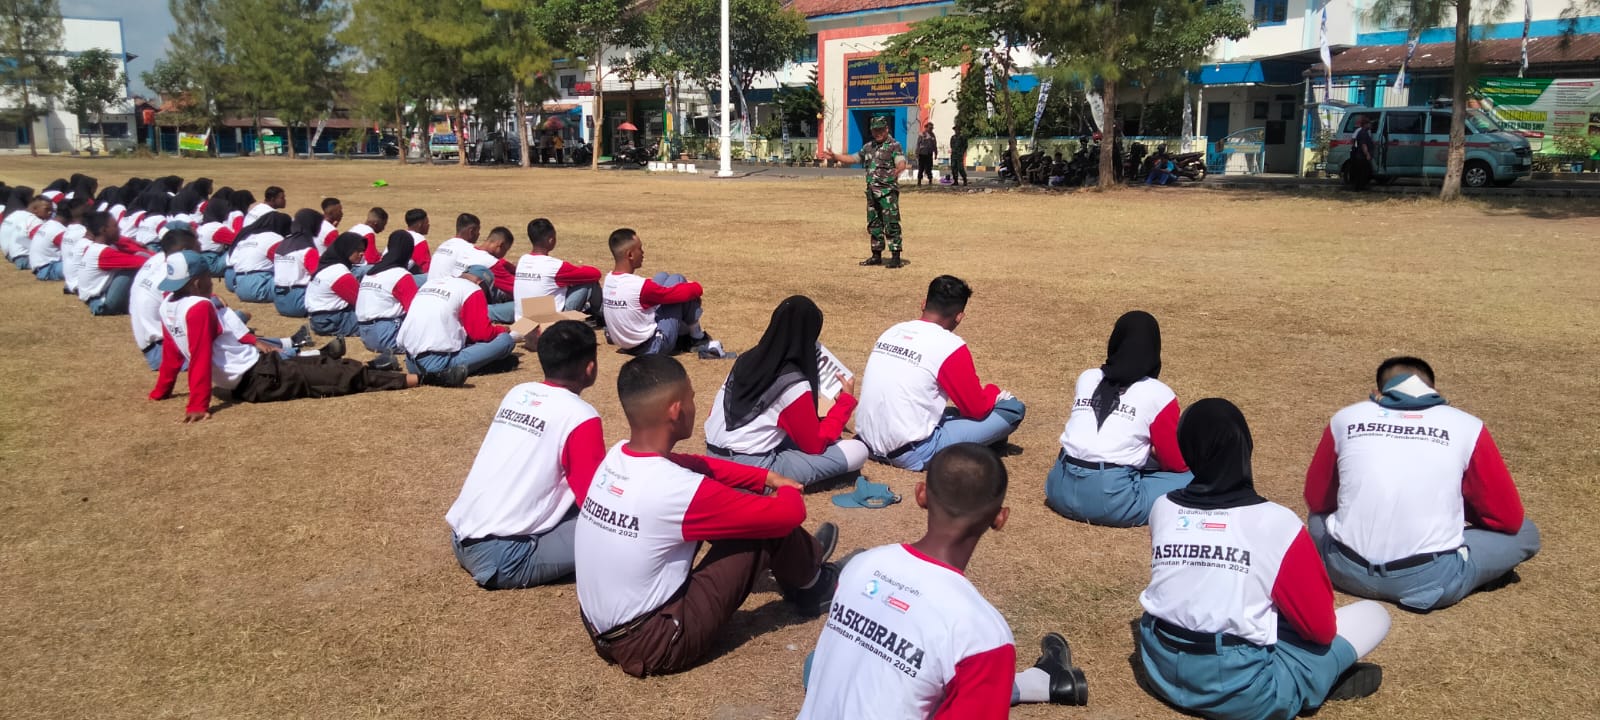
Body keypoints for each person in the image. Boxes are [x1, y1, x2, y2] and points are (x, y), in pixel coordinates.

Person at [575, 354, 841, 678]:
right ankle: (814, 584)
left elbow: (700, 464)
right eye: (692, 397)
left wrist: (765, 478)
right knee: (763, 528)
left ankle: (803, 559)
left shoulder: (618, 455)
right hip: (656, 640)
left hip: (601, 629)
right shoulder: (676, 489)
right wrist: (785, 487)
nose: (694, 404)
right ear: (675, 410)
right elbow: (788, 513)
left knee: (744, 514)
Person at [1135, 398, 1391, 720]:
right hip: (1239, 688)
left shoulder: (1162, 508)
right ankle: (1315, 681)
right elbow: (1321, 630)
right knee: (1375, 615)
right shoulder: (1277, 523)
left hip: (1159, 664)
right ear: (1245, 447)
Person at [798, 444, 1087, 718]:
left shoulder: (860, 566)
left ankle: (1041, 682)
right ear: (999, 518)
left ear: (921, 494)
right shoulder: (985, 635)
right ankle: (1042, 681)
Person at [1303, 357, 1540, 612]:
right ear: (1435, 391)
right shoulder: (1467, 425)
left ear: (1377, 392)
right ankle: (1463, 573)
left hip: (1343, 569)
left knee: (1318, 517)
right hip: (1429, 578)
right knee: (1526, 533)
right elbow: (1508, 518)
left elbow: (1317, 500)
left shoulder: (1346, 418)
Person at [149, 251, 455, 422]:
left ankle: (376, 367)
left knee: (320, 362)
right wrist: (197, 404)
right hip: (257, 378)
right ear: (198, 280)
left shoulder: (168, 305)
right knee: (334, 378)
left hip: (255, 371)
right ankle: (425, 379)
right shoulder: (199, 307)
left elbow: (175, 353)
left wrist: (162, 391)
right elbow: (200, 355)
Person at [446, 321, 605, 589]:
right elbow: (595, 502)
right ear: (590, 368)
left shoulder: (518, 393)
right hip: (506, 555)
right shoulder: (581, 416)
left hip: (462, 537)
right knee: (622, 529)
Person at [856, 275, 1025, 472]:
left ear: (924, 303)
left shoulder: (893, 331)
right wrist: (994, 393)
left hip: (866, 443)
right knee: (1012, 408)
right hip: (910, 452)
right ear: (959, 316)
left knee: (951, 412)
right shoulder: (950, 345)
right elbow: (976, 408)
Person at [1045, 311, 1192, 527]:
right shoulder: (1160, 394)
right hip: (1112, 499)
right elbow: (1175, 463)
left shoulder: (1088, 377)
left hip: (1058, 486)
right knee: (1198, 477)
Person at [703, 296, 869, 487]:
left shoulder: (746, 360)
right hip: (753, 467)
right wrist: (845, 402)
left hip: (712, 456)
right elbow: (814, 445)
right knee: (858, 450)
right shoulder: (792, 382)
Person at [601, 228, 729, 358]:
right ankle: (696, 337)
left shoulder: (609, 279)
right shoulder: (639, 286)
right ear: (630, 255)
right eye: (640, 248)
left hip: (626, 344)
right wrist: (695, 286)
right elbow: (680, 294)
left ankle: (691, 334)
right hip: (653, 346)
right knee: (677, 279)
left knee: (662, 277)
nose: (643, 252)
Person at [817, 115, 908, 268]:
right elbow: (853, 158)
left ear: (887, 129)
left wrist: (899, 168)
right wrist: (835, 156)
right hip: (872, 192)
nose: (877, 133)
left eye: (880, 130)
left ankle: (895, 257)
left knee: (891, 224)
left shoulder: (894, 145)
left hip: (887, 193)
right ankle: (876, 255)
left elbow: (900, 161)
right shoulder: (868, 147)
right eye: (874, 130)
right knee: (874, 224)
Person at [395, 265, 519, 377]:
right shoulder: (472, 289)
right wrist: (501, 330)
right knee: (505, 341)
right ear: (480, 283)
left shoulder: (432, 283)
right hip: (437, 363)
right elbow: (481, 334)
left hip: (411, 363)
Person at [513, 217, 601, 323]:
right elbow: (595, 274)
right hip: (548, 322)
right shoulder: (555, 266)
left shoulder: (523, 260)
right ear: (551, 239)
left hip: (523, 322)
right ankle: (601, 316)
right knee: (590, 284)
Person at [356, 231, 421, 356]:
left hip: (366, 335)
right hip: (387, 335)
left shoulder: (370, 273)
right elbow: (416, 312)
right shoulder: (400, 275)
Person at [78, 211, 150, 315]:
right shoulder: (103, 252)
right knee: (133, 268)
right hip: (103, 302)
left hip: (94, 296)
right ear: (103, 230)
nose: (119, 229)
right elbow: (141, 262)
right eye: (115, 226)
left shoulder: (96, 247)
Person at [305, 233, 367, 337]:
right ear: (347, 249)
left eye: (363, 250)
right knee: (373, 324)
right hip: (330, 320)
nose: (362, 254)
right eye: (358, 250)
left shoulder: (327, 265)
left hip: (318, 318)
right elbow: (361, 302)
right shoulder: (339, 272)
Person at [271, 209, 324, 318]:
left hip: (279, 302)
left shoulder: (282, 244)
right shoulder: (307, 249)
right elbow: (318, 275)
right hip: (298, 302)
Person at [229, 211, 290, 302]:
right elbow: (286, 262)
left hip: (240, 288)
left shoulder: (248, 237)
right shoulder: (274, 238)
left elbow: (232, 261)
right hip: (260, 285)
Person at [427, 213, 485, 284]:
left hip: (428, 286)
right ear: (471, 231)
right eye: (478, 231)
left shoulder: (443, 245)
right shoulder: (469, 250)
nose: (479, 234)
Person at [28, 197, 74, 281]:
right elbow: (74, 251)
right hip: (49, 269)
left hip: (42, 268)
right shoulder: (59, 230)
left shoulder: (50, 224)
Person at [193, 195, 236, 275]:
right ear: (220, 211)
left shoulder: (204, 226)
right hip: (211, 264)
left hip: (200, 262)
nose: (228, 214)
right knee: (239, 249)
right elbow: (238, 240)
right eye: (226, 211)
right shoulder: (217, 228)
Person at [7, 198, 49, 270]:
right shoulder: (35, 221)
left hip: (15, 256)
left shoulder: (26, 219)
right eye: (47, 209)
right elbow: (41, 241)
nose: (50, 212)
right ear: (35, 209)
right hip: (25, 258)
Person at [1347, 115, 1375, 191]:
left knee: (1363, 172)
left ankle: (1360, 187)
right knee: (1362, 172)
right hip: (1361, 156)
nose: (1371, 125)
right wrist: (1367, 154)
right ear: (1365, 124)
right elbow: (1363, 144)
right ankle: (1358, 188)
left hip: (1361, 156)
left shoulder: (1365, 132)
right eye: (1369, 124)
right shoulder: (1362, 132)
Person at [403, 208, 433, 276]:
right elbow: (426, 268)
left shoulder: (400, 235)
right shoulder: (419, 239)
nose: (428, 225)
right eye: (427, 223)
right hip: (396, 278)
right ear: (420, 225)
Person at [916, 122, 937, 186]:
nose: (931, 129)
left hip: (929, 154)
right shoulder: (922, 134)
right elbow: (918, 144)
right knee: (921, 168)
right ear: (926, 127)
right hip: (922, 154)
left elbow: (934, 145)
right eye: (930, 128)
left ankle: (930, 180)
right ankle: (919, 181)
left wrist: (936, 153)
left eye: (932, 128)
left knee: (929, 168)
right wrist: (917, 153)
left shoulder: (933, 135)